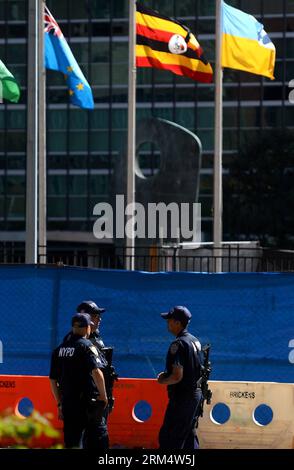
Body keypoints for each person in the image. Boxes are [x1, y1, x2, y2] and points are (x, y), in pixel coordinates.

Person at [49, 313, 109, 449]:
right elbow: (96, 371)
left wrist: (60, 403)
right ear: (87, 327)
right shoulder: (87, 346)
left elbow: (53, 379)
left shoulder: (59, 350)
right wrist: (104, 396)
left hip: (68, 403)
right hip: (87, 403)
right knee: (96, 440)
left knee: (72, 442)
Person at [157, 305, 202, 450]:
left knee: (169, 437)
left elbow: (177, 376)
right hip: (195, 395)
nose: (167, 323)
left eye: (169, 320)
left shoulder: (178, 344)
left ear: (177, 322)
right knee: (188, 435)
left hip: (183, 398)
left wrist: (163, 380)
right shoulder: (194, 340)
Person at [76, 300, 118, 420]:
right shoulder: (78, 342)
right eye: (95, 316)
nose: (99, 319)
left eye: (99, 316)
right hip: (87, 396)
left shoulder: (96, 337)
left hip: (100, 394)